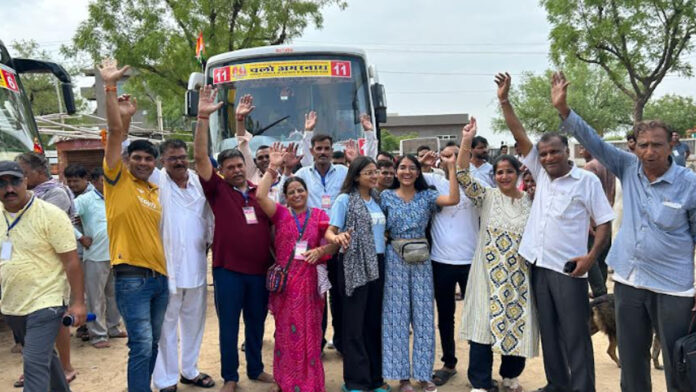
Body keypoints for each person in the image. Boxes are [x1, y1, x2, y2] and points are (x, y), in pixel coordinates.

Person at [552, 71, 696, 392]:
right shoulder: (629, 168)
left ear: (671, 144)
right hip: (629, 284)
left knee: (678, 363)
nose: (649, 152)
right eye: (642, 145)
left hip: (673, 289)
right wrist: (564, 110)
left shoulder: (689, 185)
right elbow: (593, 142)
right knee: (632, 365)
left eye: (656, 145)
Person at [497, 72, 615, 392]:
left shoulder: (585, 181)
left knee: (575, 335)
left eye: (554, 152)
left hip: (568, 269)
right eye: (543, 153)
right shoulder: (542, 174)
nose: (548, 157)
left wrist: (591, 259)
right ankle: (557, 385)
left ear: (567, 152)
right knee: (549, 332)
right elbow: (518, 132)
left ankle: (582, 388)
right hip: (538, 265)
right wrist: (505, 100)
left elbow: (604, 223)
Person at [194, 84, 274, 392]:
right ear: (223, 172)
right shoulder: (217, 189)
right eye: (231, 167)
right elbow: (200, 156)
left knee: (256, 325)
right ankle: (230, 377)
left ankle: (256, 369)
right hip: (228, 272)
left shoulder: (259, 192)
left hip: (259, 273)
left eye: (241, 165)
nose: (238, 170)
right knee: (228, 328)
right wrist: (203, 116)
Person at [100, 59, 169, 392]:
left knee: (152, 343)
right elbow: (115, 135)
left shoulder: (154, 190)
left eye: (148, 158)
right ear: (127, 161)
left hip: (159, 279)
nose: (143, 162)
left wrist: (127, 120)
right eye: (137, 158)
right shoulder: (117, 182)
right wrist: (110, 88)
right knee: (140, 344)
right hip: (131, 278)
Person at [456, 118, 538, 392]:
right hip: (486, 277)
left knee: (516, 324)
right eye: (499, 172)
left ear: (517, 173)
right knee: (482, 330)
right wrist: (466, 140)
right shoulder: (487, 197)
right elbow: (463, 176)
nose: (503, 176)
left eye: (508, 171)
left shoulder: (530, 202)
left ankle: (510, 376)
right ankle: (480, 382)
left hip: (518, 278)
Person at [0, 160, 87, 392]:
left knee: (34, 362)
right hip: (13, 304)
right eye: (2, 183)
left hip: (47, 301)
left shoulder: (50, 215)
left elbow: (71, 261)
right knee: (44, 357)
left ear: (26, 181)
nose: (9, 189)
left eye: (15, 181)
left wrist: (78, 302)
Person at [256, 144, 337, 392]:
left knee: (310, 333)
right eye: (291, 192)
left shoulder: (320, 216)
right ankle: (285, 380)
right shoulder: (280, 214)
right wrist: (273, 167)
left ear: (306, 192)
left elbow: (333, 243)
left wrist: (322, 250)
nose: (297, 195)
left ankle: (310, 382)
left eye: (300, 190)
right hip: (286, 285)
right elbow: (260, 197)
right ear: (286, 196)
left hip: (310, 284)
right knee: (285, 333)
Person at [380, 154, 460, 392]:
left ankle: (424, 375)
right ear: (396, 171)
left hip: (422, 260)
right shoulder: (385, 196)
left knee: (424, 318)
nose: (406, 172)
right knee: (397, 318)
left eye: (411, 168)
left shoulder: (427, 196)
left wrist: (452, 168)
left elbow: (454, 199)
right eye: (402, 167)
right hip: (394, 259)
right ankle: (402, 377)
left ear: (418, 172)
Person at [151, 139, 215, 391]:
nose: (178, 161)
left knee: (194, 322)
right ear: (162, 162)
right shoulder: (158, 182)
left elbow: (209, 217)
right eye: (172, 158)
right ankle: (166, 379)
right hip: (167, 269)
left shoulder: (199, 183)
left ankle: (190, 370)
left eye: (181, 156)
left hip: (197, 266)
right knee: (166, 325)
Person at [325, 156, 388, 392]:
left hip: (378, 264)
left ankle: (375, 378)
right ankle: (356, 381)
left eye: (376, 172)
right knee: (354, 324)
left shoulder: (378, 199)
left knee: (373, 322)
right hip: (354, 265)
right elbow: (330, 232)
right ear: (356, 175)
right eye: (369, 172)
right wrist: (338, 238)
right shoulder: (345, 200)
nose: (374, 176)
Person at [15, 151, 78, 384]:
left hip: (52, 268)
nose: (16, 182)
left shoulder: (55, 194)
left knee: (56, 318)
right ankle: (43, 366)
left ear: (39, 172)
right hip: (26, 272)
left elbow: (45, 230)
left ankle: (64, 365)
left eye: (22, 174)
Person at [424, 141, 480, 387]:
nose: (450, 159)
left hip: (471, 261)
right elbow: (404, 175)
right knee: (445, 316)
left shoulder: (475, 181)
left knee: (476, 316)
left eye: (455, 155)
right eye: (445, 155)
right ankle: (449, 363)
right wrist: (425, 162)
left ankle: (479, 369)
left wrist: (460, 165)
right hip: (441, 261)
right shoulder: (433, 182)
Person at [73, 164, 125, 349]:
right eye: (104, 181)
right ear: (94, 182)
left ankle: (113, 328)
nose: (108, 184)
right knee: (95, 298)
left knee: (115, 295)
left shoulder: (117, 197)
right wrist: (80, 237)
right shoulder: (85, 200)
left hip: (117, 254)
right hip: (95, 256)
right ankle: (97, 334)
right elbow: (63, 219)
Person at [580, 146, 616, 299]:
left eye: (583, 148)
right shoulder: (608, 165)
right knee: (602, 259)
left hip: (594, 221)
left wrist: (587, 220)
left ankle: (599, 291)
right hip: (607, 217)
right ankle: (602, 294)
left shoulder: (590, 167)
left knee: (591, 259)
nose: (581, 151)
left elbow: (586, 196)